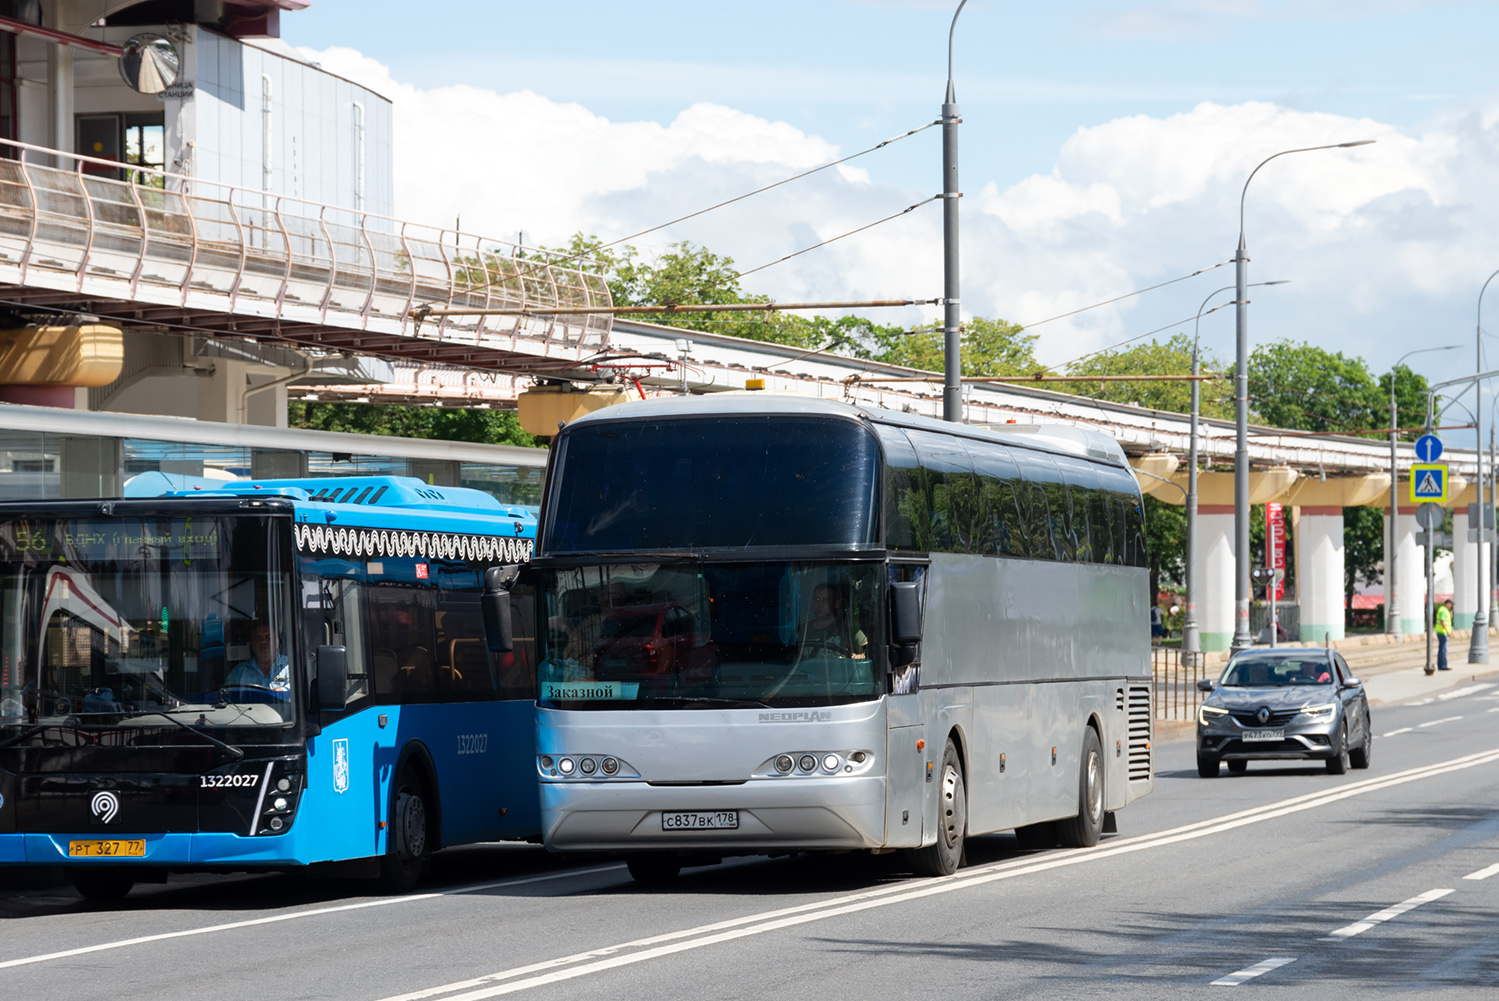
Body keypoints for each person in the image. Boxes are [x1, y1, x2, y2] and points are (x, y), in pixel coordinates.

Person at [803, 583, 867, 659]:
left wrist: (857, 657)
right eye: (817, 599)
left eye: (826, 600)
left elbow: (868, 653)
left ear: (836, 604)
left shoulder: (848, 628)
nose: (820, 604)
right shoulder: (803, 631)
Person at [225, 621, 290, 693]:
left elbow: (297, 692)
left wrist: (282, 692)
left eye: (268, 637)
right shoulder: (240, 671)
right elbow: (228, 695)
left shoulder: (290, 667)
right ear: (252, 644)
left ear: (277, 642)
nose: (263, 641)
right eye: (258, 637)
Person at [1436, 598, 1454, 671]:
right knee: (1443, 649)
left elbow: (1448, 619)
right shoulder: (1443, 611)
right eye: (1450, 604)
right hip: (1442, 632)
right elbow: (1442, 621)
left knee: (1442, 649)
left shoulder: (1445, 610)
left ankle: (1441, 665)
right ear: (1447, 604)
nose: (1451, 606)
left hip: (1442, 632)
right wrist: (1447, 632)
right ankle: (1442, 666)